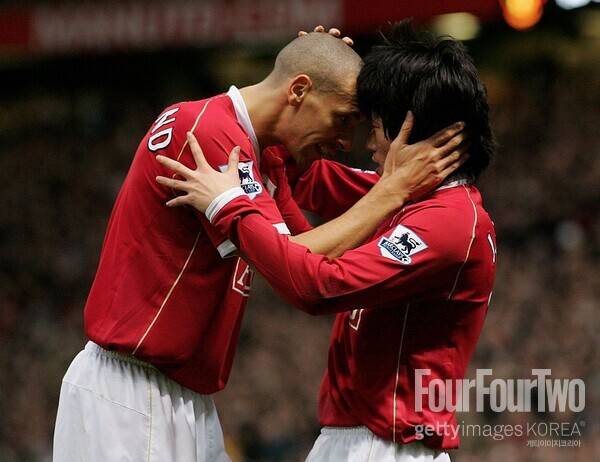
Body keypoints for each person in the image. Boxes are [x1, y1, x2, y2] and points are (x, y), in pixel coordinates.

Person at [53, 28, 467, 461]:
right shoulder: (209, 133)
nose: (346, 141)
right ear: (299, 90)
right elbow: (296, 266)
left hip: (183, 398)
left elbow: (302, 252)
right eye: (343, 118)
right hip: (132, 394)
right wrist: (390, 191)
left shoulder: (260, 154)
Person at [155, 21, 496, 462]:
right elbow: (299, 171)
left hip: (388, 447)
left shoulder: (450, 224)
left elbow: (318, 286)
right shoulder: (403, 194)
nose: (364, 142)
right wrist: (305, 86)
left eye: (374, 126)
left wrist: (227, 206)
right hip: (351, 440)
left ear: (412, 134)